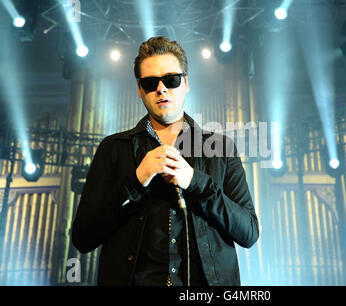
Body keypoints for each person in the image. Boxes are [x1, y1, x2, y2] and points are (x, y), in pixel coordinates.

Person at [71, 36, 259, 286]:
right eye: (150, 83)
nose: (161, 89)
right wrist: (136, 182)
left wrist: (195, 181)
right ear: (140, 90)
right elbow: (83, 238)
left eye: (171, 79)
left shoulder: (221, 149)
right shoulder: (113, 149)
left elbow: (248, 233)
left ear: (186, 83)